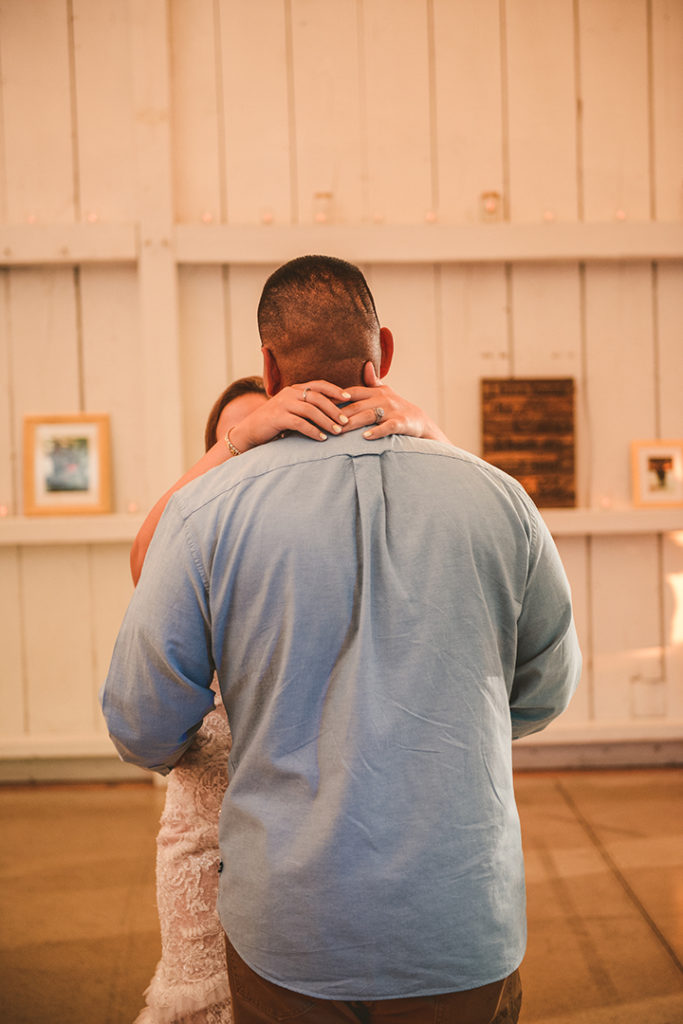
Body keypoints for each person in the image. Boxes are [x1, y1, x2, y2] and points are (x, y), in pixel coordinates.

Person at [102, 255, 581, 1023]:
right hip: (457, 922)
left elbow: (139, 720)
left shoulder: (207, 513)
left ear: (267, 365)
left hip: (292, 929)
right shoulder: (500, 501)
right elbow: (545, 691)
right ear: (381, 352)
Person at [133, 372, 449, 1024]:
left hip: (315, 855)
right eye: (261, 435)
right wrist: (237, 439)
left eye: (287, 433)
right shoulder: (199, 536)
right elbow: (144, 558)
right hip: (207, 843)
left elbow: (462, 527)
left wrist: (429, 432)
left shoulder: (328, 539)